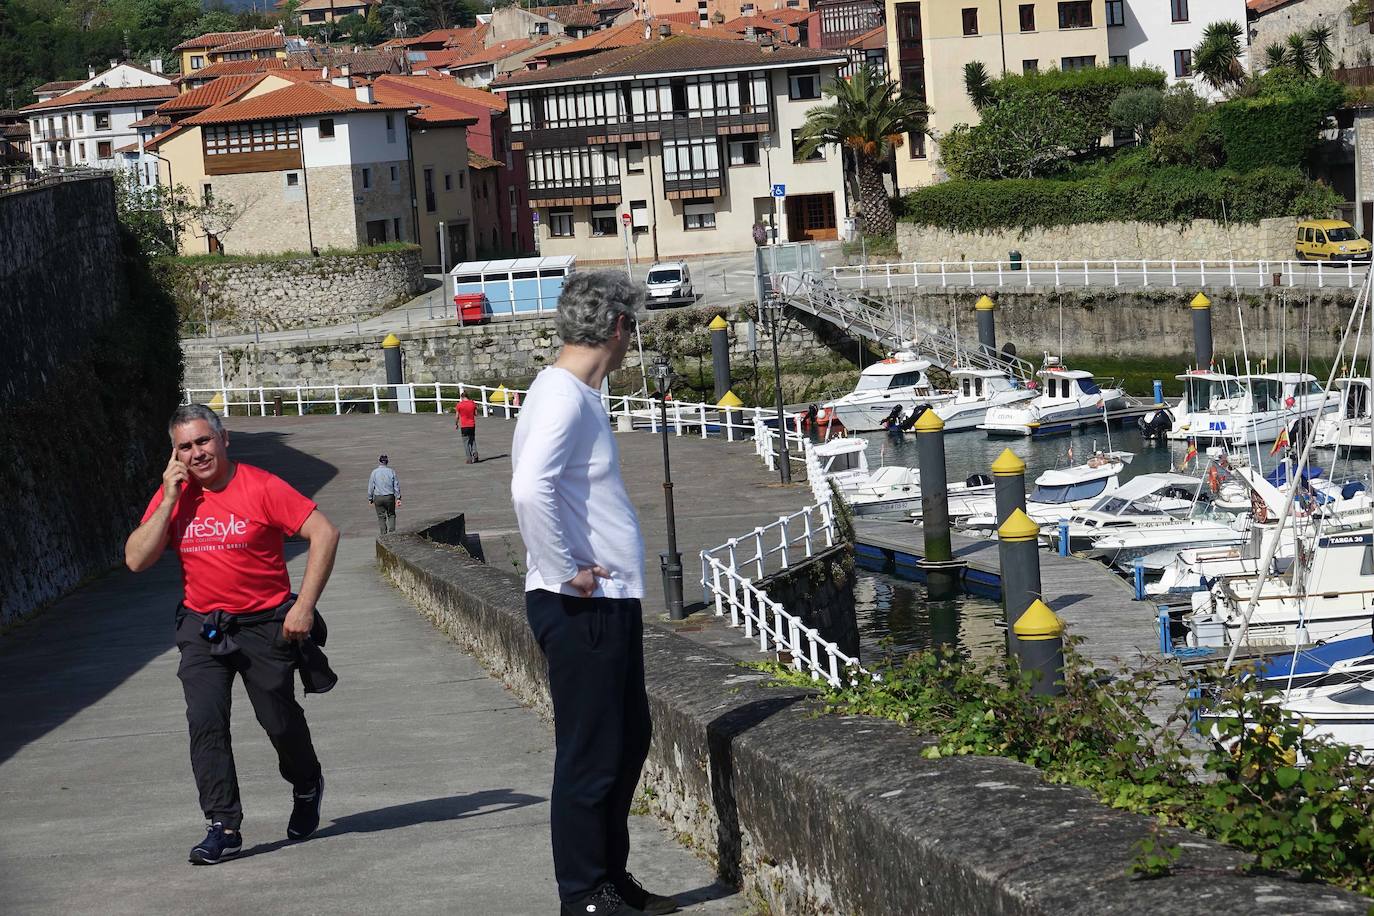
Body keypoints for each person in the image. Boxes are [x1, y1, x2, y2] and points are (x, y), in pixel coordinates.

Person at [510, 271, 677, 916]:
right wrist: (564, 570)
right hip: (582, 605)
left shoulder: (574, 394)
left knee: (626, 737)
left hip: (603, 604)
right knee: (591, 749)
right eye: (631, 328)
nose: (630, 342)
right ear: (616, 328)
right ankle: (583, 893)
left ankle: (610, 878)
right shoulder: (563, 397)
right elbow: (530, 488)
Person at [124, 403, 340, 866]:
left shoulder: (261, 486)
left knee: (279, 722)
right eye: (185, 446)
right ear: (174, 455)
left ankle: (306, 784)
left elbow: (324, 533)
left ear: (224, 440)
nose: (197, 452)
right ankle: (223, 825)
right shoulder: (175, 496)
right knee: (205, 720)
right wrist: (165, 500)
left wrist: (303, 606)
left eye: (203, 441)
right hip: (203, 626)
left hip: (265, 625)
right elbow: (136, 560)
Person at [368, 454, 401, 534]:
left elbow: (371, 486)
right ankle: (392, 533)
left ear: (379, 461)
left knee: (381, 517)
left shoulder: (374, 472)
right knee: (391, 515)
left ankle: (383, 534)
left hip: (378, 497)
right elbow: (396, 485)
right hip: (389, 496)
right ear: (387, 462)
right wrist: (398, 498)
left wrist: (370, 498)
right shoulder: (391, 471)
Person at [455, 394, 479, 464]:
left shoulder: (459, 405)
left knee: (466, 442)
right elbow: (476, 414)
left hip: (464, 426)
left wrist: (456, 424)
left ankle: (469, 459)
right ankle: (475, 452)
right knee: (472, 439)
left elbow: (457, 416)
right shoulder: (472, 403)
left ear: (462, 397)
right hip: (472, 424)